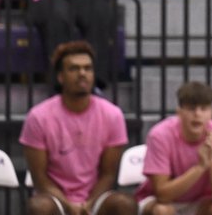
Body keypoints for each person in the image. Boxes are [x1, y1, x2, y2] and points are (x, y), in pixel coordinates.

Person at [20, 40, 135, 215]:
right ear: (60, 77)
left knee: (124, 204)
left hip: (95, 197)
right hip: (54, 198)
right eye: (74, 69)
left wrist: (88, 204)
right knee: (39, 207)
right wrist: (68, 205)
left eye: (88, 68)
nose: (82, 73)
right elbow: (40, 178)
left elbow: (108, 174)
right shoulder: (38, 116)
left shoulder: (113, 115)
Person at [136, 80, 212, 215]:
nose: (197, 114)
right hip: (160, 201)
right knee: (162, 211)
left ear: (211, 113)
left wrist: (211, 158)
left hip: (202, 202)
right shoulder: (159, 135)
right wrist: (200, 167)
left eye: (204, 109)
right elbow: (163, 195)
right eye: (191, 108)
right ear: (179, 112)